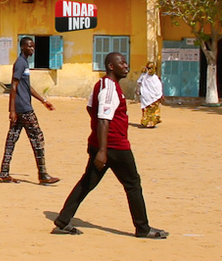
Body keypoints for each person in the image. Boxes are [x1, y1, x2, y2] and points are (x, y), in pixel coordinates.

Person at [53, 52, 168, 239]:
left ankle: (63, 221)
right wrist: (103, 150)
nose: (126, 66)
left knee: (87, 182)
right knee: (133, 184)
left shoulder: (103, 85)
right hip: (115, 147)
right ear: (111, 66)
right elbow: (104, 119)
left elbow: (91, 108)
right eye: (121, 63)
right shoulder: (108, 88)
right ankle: (143, 228)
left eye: (126, 62)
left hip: (104, 144)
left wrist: (98, 138)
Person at [0, 37, 59, 184]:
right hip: (23, 109)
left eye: (33, 46)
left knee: (12, 139)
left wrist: (44, 101)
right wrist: (11, 110)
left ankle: (4, 173)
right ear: (22, 47)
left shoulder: (25, 63)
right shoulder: (20, 63)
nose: (32, 49)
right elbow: (13, 86)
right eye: (29, 46)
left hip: (21, 108)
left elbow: (27, 87)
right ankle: (43, 175)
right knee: (38, 138)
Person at [136, 61, 164, 128]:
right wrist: (138, 90)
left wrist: (160, 95)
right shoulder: (145, 76)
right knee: (148, 110)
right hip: (147, 96)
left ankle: (151, 123)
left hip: (152, 97)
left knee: (151, 110)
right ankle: (148, 123)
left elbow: (158, 87)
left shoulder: (155, 78)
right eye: (150, 68)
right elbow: (139, 83)